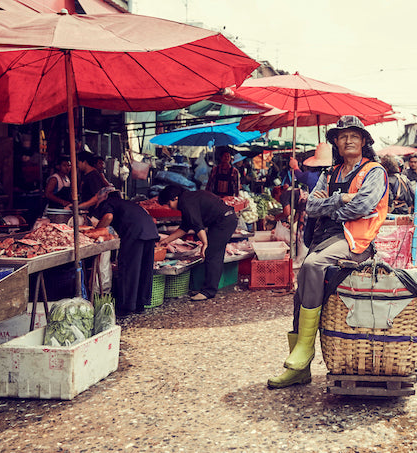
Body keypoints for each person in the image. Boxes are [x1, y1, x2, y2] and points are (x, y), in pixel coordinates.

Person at [267, 115, 388, 389]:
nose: (348, 140)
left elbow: (361, 208)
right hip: (324, 237)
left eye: (354, 135)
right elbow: (309, 207)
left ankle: (305, 349)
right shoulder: (328, 173)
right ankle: (299, 370)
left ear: (364, 141)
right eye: (342, 136)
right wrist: (340, 199)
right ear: (335, 141)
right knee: (300, 295)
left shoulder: (375, 172)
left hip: (354, 240)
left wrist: (332, 204)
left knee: (312, 266)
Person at [156, 185, 238, 300]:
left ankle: (208, 291)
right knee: (215, 254)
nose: (170, 208)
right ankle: (209, 289)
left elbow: (197, 225)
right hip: (224, 221)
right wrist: (166, 241)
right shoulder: (188, 198)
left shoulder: (186, 202)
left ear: (175, 198)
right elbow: (185, 227)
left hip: (224, 221)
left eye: (169, 204)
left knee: (211, 254)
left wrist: (205, 244)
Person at [88, 187, 158, 317]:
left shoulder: (107, 202)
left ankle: (126, 307)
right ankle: (140, 304)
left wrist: (96, 231)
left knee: (129, 268)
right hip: (150, 230)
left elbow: (108, 217)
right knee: (144, 268)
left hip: (135, 232)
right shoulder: (127, 203)